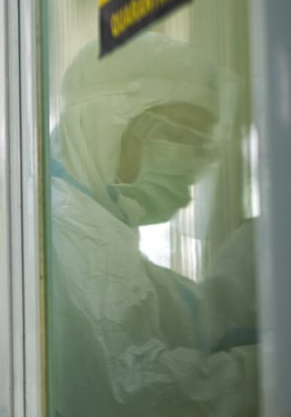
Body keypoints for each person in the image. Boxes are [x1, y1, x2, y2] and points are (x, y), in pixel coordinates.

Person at [46, 32, 258, 416]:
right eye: (182, 137)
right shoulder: (72, 226)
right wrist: (267, 367)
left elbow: (181, 313)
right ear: (113, 122)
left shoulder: (92, 222)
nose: (193, 162)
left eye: (202, 147)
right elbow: (138, 393)